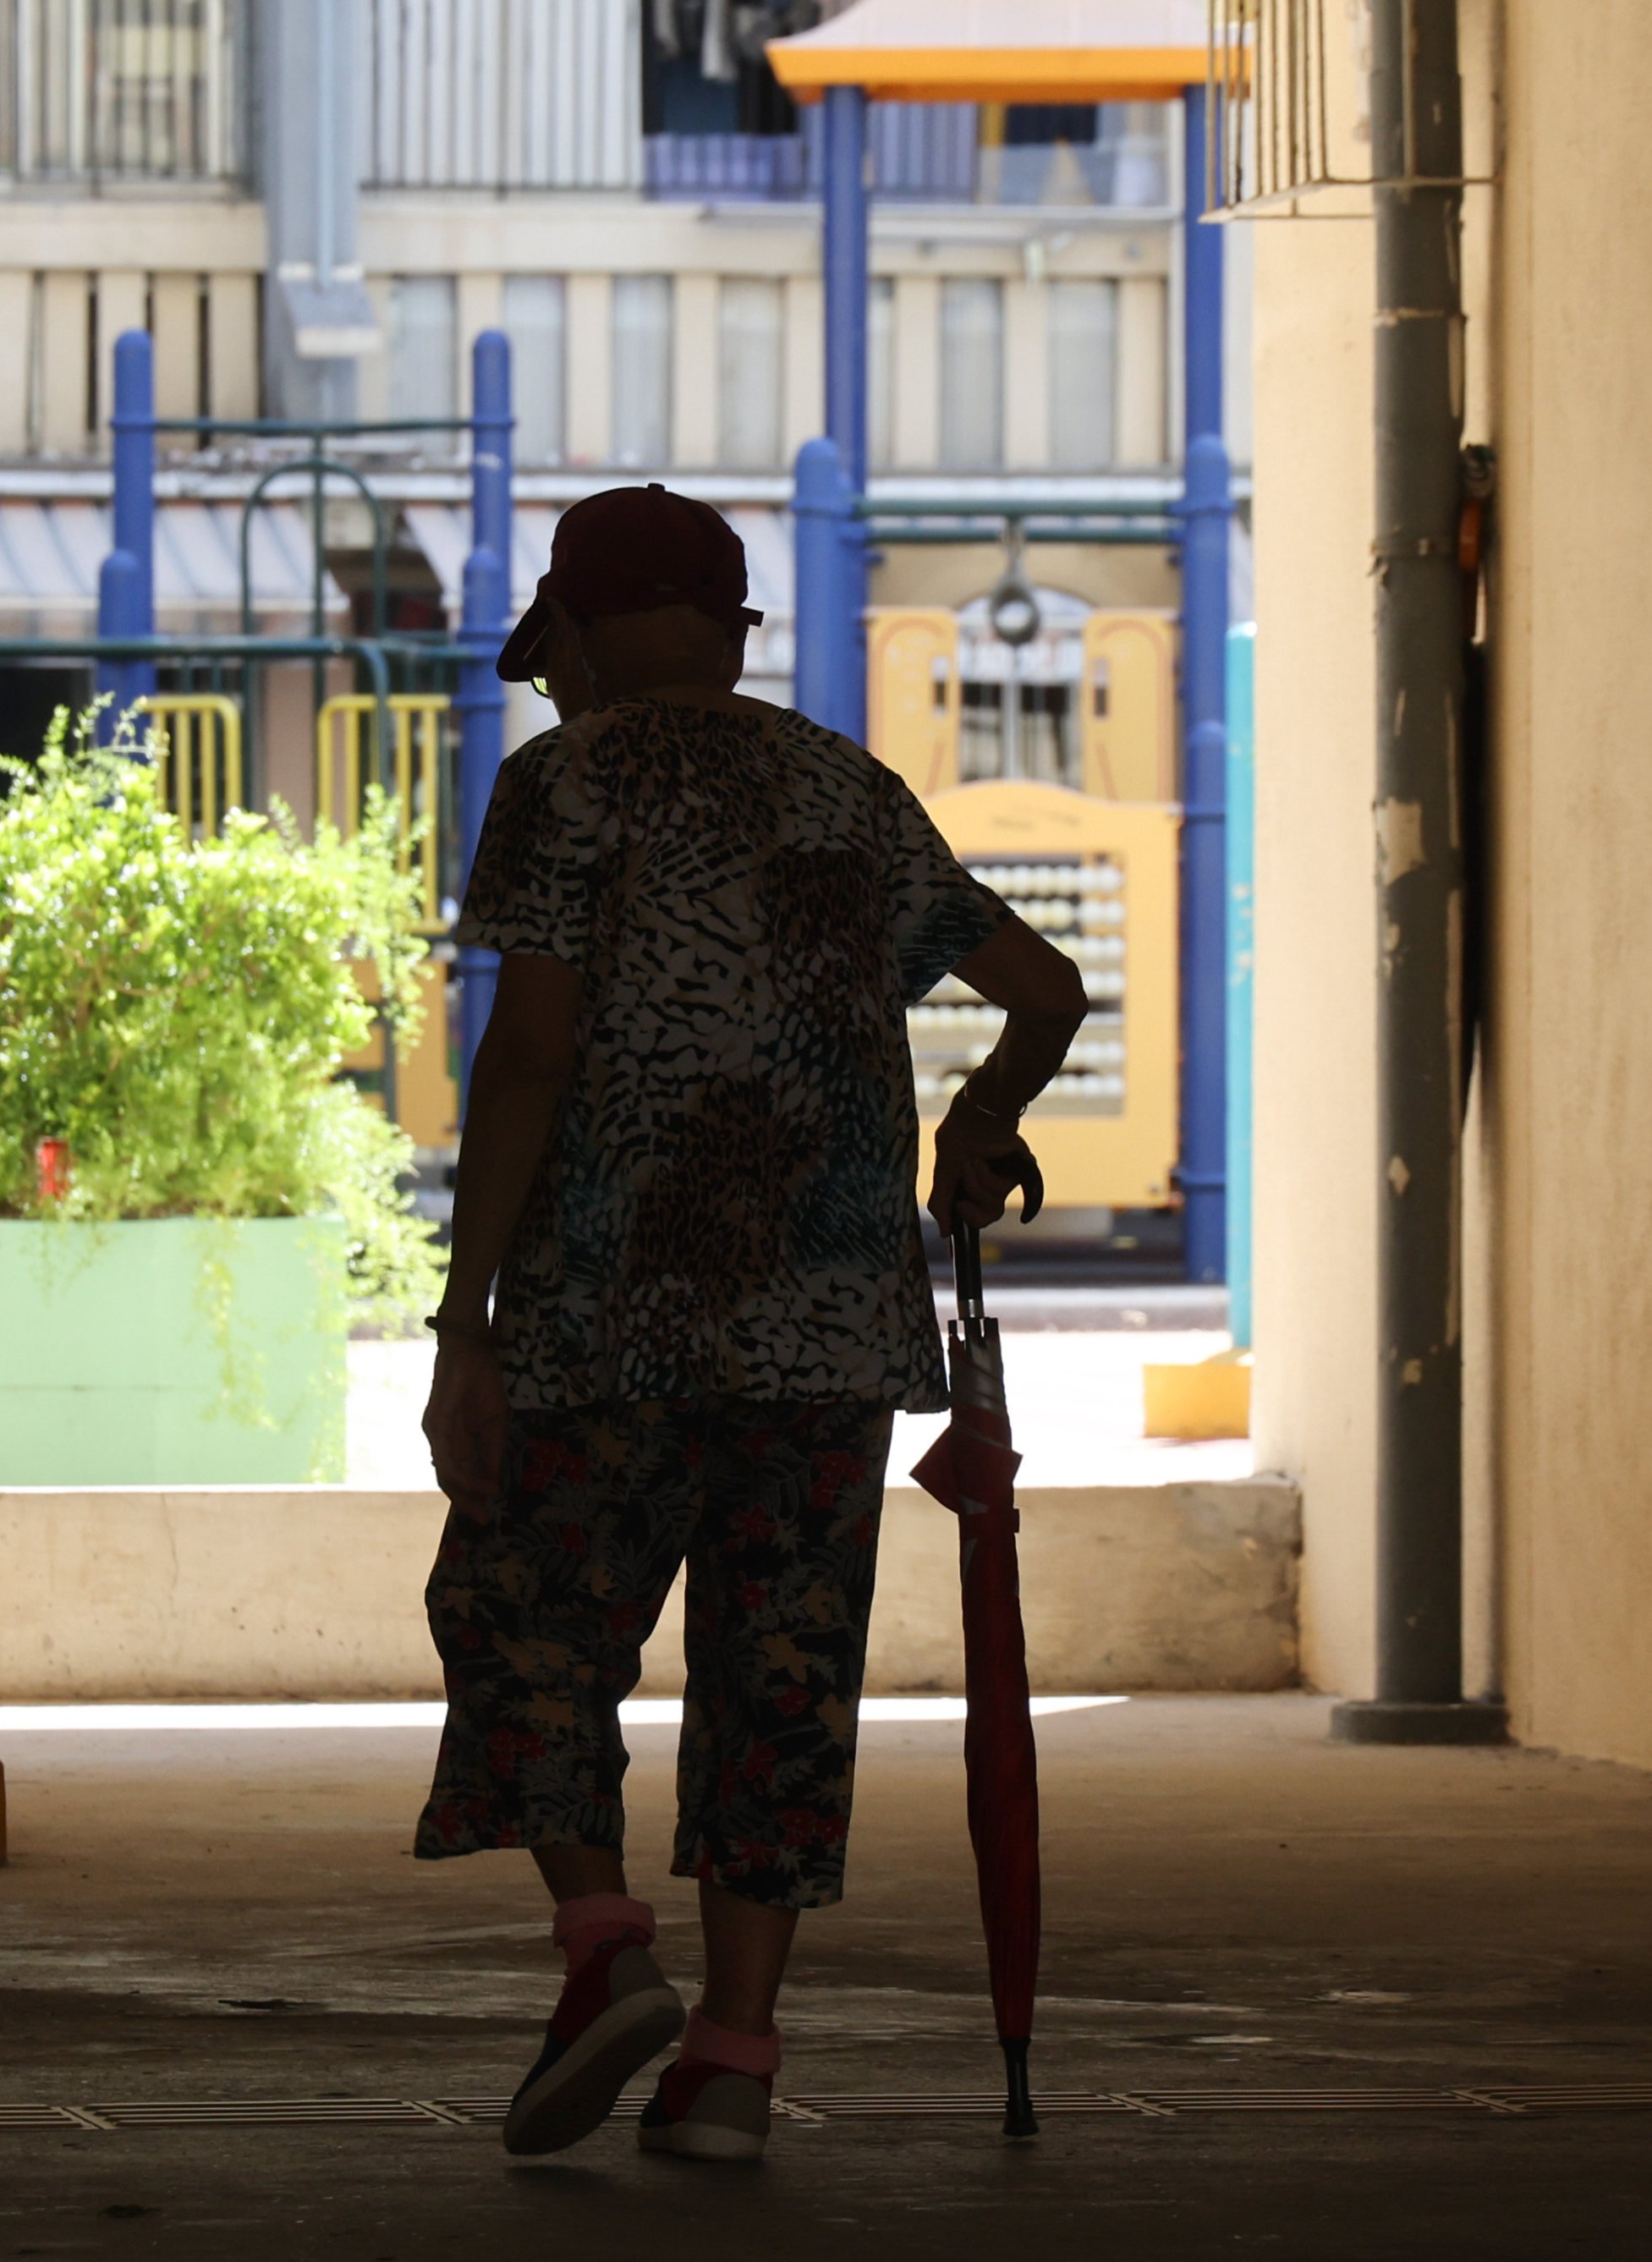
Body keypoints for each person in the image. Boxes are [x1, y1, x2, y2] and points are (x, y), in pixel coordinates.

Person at [416, 485, 1089, 2162]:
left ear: (579, 638)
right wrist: (979, 1118)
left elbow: (531, 1051)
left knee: (520, 1613)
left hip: (607, 1317)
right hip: (828, 1331)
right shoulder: (845, 788)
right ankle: (731, 2059)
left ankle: (602, 1950)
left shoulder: (565, 781)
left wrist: (462, 1318)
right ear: (731, 634)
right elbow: (1043, 988)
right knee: (779, 1674)